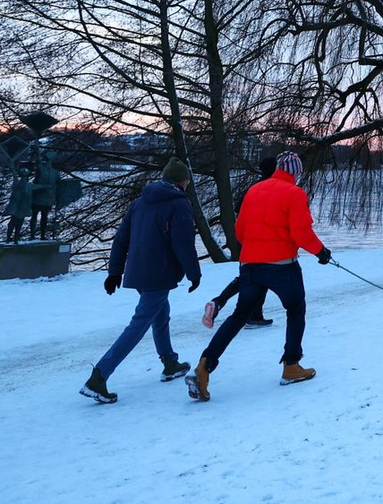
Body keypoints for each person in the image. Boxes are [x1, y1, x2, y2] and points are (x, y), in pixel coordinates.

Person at [186, 150, 331, 402]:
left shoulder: (254, 190)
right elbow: (301, 233)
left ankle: (204, 366)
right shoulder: (295, 193)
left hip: (250, 264)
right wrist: (321, 252)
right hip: (282, 266)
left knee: (239, 315)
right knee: (295, 310)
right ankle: (291, 365)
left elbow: (239, 231)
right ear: (295, 172)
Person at [80, 157, 201, 404]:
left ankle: (169, 362)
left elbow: (121, 239)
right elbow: (184, 243)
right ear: (182, 181)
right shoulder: (179, 204)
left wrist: (115, 272)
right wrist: (194, 273)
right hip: (160, 273)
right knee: (139, 324)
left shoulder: (139, 202)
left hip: (138, 272)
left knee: (160, 313)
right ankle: (99, 376)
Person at [202, 155, 278, 330]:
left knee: (248, 277)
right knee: (260, 277)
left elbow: (238, 210)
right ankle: (253, 316)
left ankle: (219, 303)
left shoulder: (253, 188)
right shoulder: (273, 188)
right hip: (262, 241)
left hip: (246, 240)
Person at [4, 164, 33, 243]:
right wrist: (12, 168)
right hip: (17, 208)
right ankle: (9, 239)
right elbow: (14, 176)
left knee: (18, 224)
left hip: (22, 208)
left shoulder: (29, 186)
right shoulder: (17, 183)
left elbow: (39, 186)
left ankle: (15, 239)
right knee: (12, 224)